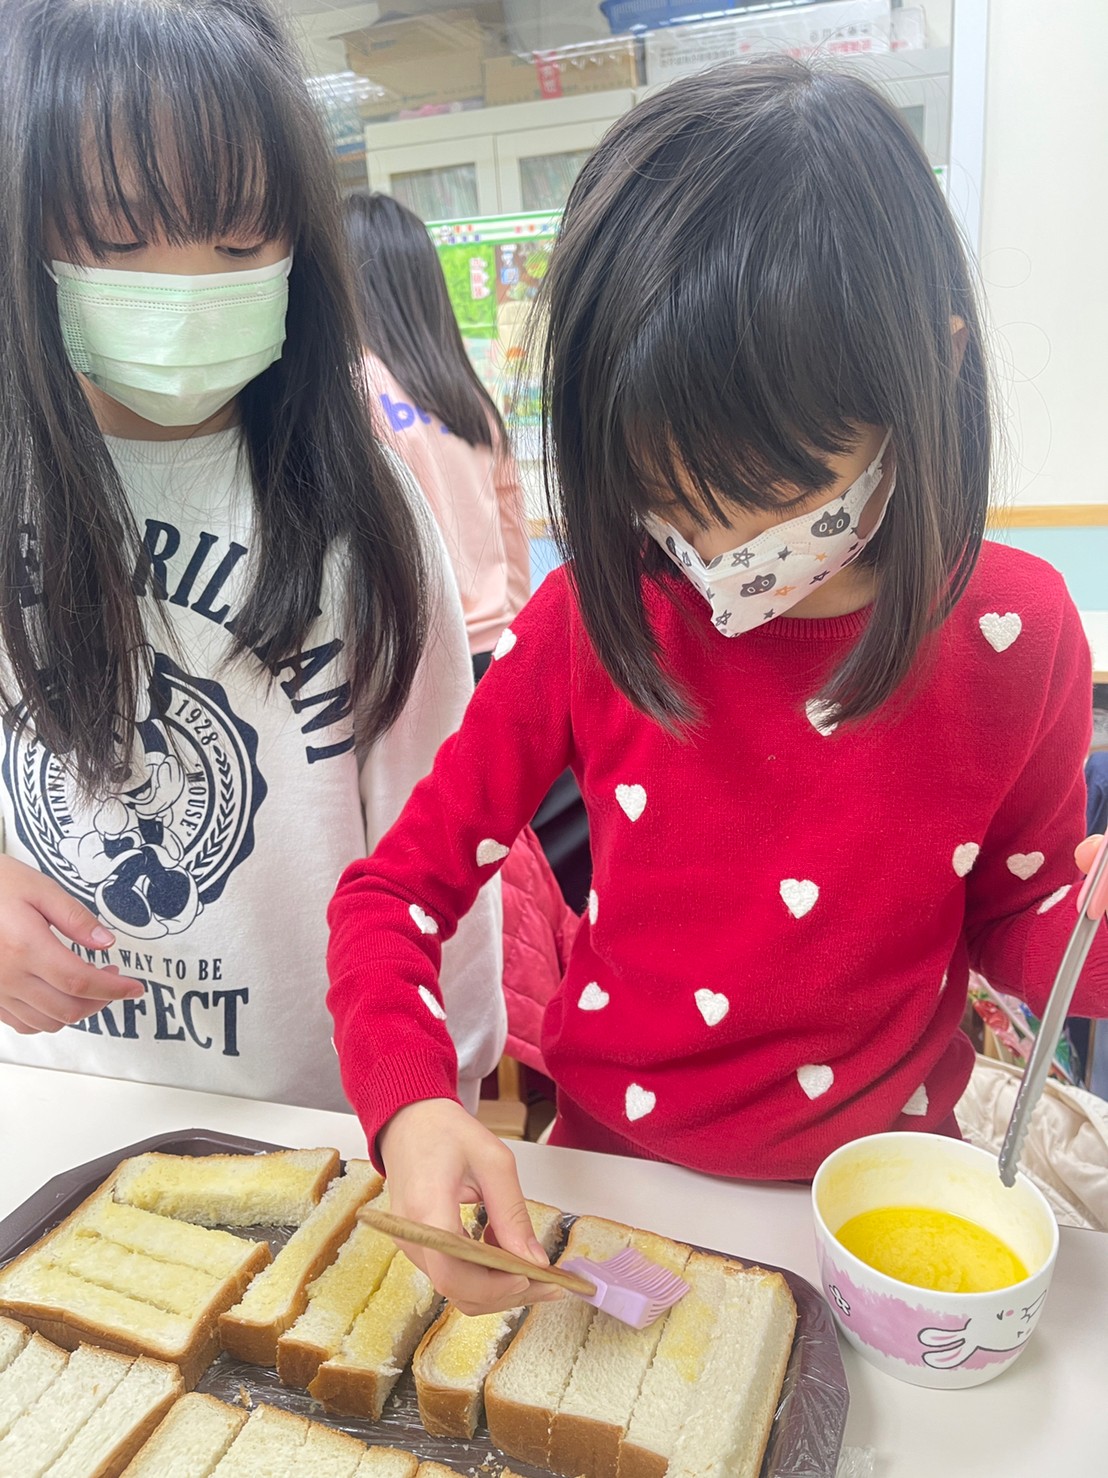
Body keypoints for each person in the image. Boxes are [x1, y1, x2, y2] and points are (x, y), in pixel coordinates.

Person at [327, 59, 1108, 1315]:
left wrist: (1090, 927)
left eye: (770, 493)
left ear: (929, 371)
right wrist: (411, 1099)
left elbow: (1021, 919)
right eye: (663, 496)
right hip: (614, 1186)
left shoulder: (1017, 633)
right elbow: (392, 894)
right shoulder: (590, 617)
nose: (715, 550)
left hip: (883, 1206)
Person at [0, 0, 505, 1115]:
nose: (185, 287)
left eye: (238, 241)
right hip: (51, 1101)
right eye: (118, 238)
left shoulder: (364, 513)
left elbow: (439, 845)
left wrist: (442, 1089)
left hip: (317, 1117)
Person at [343, 190, 593, 915]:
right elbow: (514, 531)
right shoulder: (464, 394)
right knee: (529, 864)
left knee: (445, 872)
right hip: (500, 653)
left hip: (425, 669)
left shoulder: (352, 388)